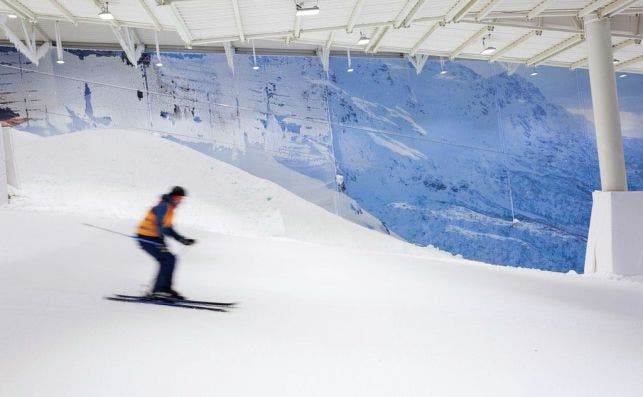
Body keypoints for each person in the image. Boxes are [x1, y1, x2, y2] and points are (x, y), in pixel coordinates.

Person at [136, 186, 196, 300]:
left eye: (182, 198)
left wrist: (182, 239)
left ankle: (165, 289)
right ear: (174, 197)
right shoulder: (164, 206)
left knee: (170, 259)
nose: (181, 201)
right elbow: (161, 226)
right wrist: (161, 242)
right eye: (180, 198)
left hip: (154, 238)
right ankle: (160, 290)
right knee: (167, 259)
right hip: (146, 238)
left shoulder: (170, 209)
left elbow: (168, 228)